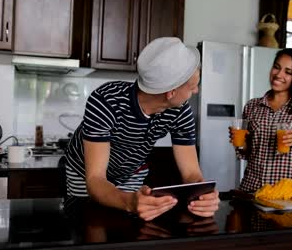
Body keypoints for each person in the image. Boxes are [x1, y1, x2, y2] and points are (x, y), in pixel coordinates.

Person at [65, 37, 219, 221]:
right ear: (171, 92)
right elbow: (95, 179)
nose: (196, 92)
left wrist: (202, 194)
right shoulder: (106, 101)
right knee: (92, 220)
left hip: (131, 171)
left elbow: (192, 173)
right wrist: (129, 202)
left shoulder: (180, 111)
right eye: (193, 87)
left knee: (130, 223)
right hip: (84, 172)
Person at [229, 48, 292, 193]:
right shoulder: (252, 106)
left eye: (288, 72)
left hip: (290, 194)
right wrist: (240, 143)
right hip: (254, 189)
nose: (278, 74)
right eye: (276, 67)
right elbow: (249, 152)